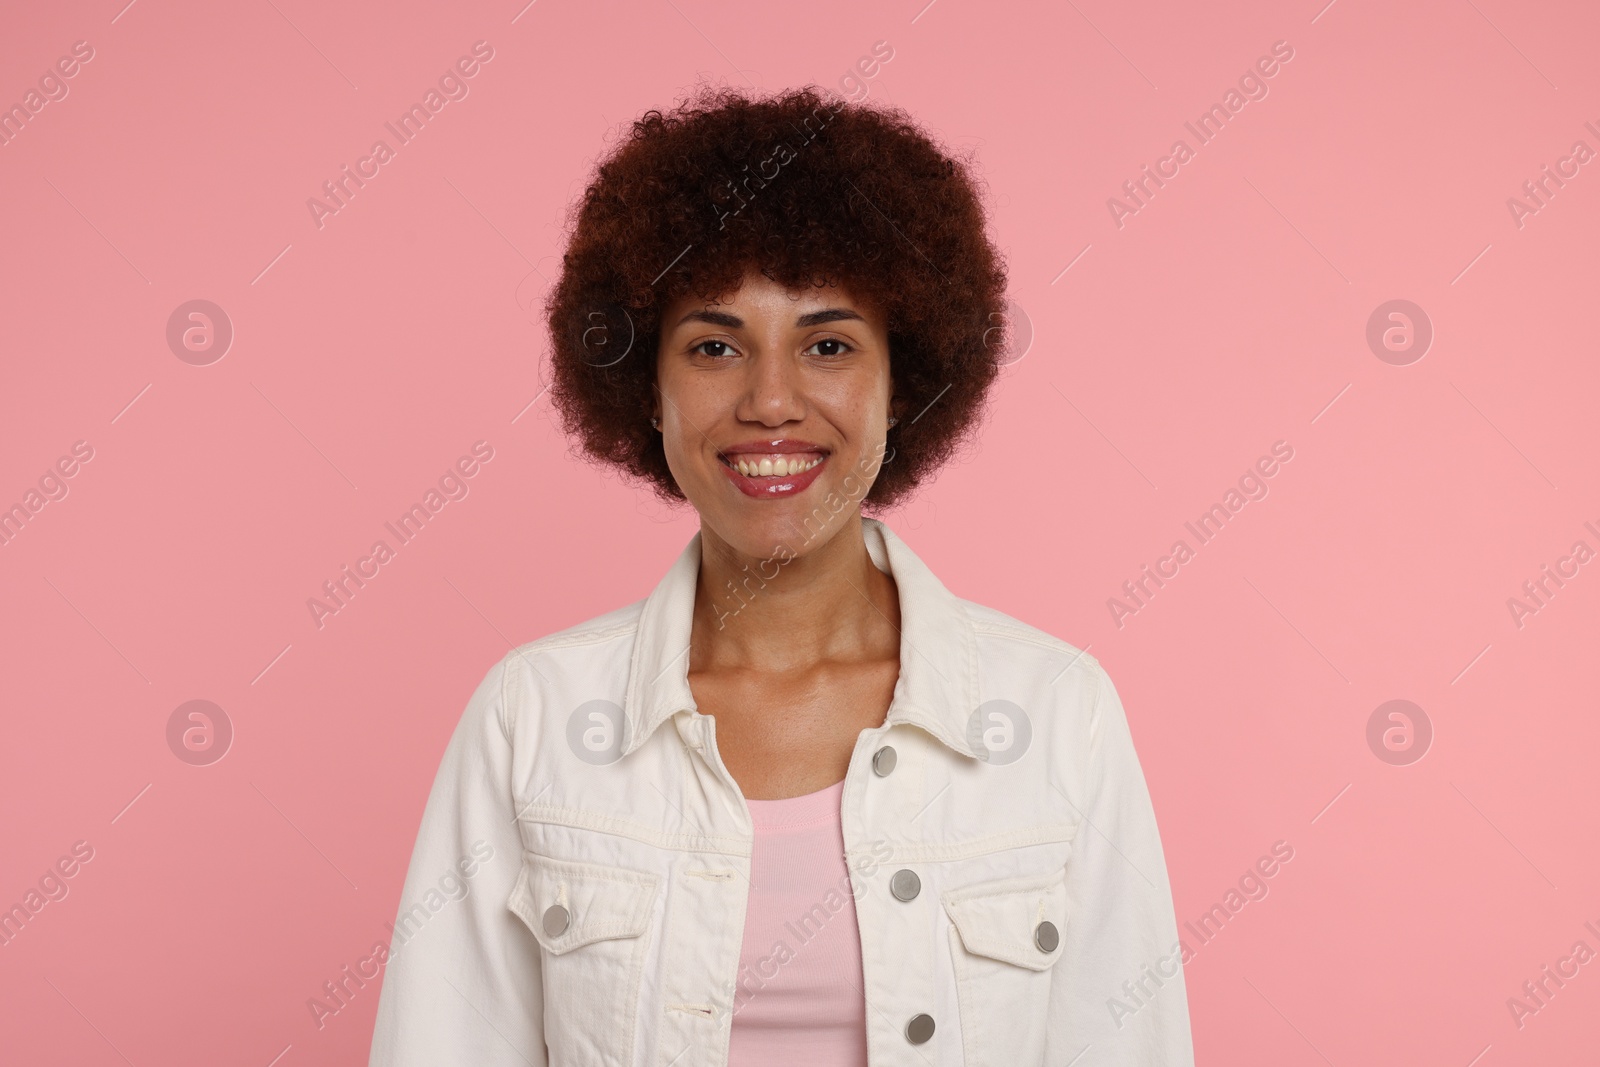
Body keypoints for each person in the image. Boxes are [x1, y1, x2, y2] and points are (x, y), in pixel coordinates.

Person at [369, 84, 1193, 1066]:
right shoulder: (531, 717)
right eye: (714, 345)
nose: (768, 399)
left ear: (904, 382)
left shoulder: (1058, 712)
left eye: (828, 344)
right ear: (647, 389)